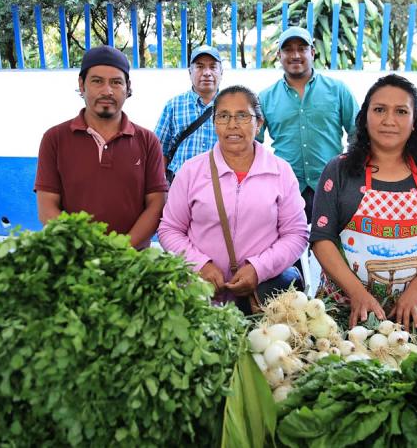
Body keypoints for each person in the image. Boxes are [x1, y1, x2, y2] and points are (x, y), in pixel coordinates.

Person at [310, 74, 417, 330]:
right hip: (341, 312)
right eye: (379, 109)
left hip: (412, 316)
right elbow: (321, 238)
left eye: (401, 111)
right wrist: (357, 293)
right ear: (365, 117)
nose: (389, 120)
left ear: (414, 121)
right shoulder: (339, 170)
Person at [158, 85, 309, 314]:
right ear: (214, 124)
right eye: (223, 116)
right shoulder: (191, 171)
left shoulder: (280, 171)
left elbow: (296, 234)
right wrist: (200, 265)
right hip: (200, 299)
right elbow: (170, 229)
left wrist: (259, 269)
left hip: (259, 304)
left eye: (242, 116)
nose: (232, 125)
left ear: (259, 123)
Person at [34, 46, 168, 249]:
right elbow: (47, 208)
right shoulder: (54, 139)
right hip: (74, 260)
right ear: (82, 84)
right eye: (97, 81)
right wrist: (85, 251)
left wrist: (121, 249)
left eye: (116, 82)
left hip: (134, 261)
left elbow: (156, 205)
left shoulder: (148, 141)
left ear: (127, 87)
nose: (107, 91)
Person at [258, 26, 359, 222]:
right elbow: (252, 142)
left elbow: (358, 132)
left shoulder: (338, 90)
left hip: (332, 185)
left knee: (330, 249)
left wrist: (349, 171)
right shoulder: (265, 98)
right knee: (288, 250)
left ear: (312, 52)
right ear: (279, 55)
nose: (295, 55)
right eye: (288, 49)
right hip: (285, 188)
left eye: (302, 48)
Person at [155, 45, 223, 183]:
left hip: (219, 186)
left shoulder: (231, 106)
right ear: (189, 72)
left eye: (213, 67)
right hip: (180, 184)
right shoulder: (173, 106)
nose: (207, 73)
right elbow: (159, 151)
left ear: (221, 72)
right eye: (200, 67)